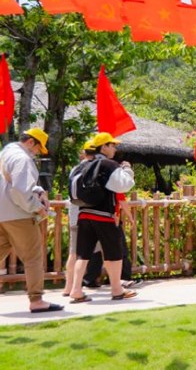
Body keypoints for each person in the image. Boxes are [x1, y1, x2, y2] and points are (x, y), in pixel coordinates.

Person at [69, 132, 137, 303]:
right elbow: (125, 185)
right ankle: (117, 290)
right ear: (104, 147)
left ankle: (76, 290)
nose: (114, 148)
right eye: (112, 145)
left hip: (83, 214)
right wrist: (127, 169)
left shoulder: (81, 166)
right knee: (114, 253)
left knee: (83, 254)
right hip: (104, 215)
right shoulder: (108, 164)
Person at [0, 129, 63, 313]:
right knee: (33, 257)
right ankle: (36, 300)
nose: (36, 153)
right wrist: (36, 207)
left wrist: (38, 190)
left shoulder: (5, 154)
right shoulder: (23, 159)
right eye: (37, 148)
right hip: (18, 214)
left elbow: (12, 183)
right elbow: (20, 191)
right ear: (30, 142)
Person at [62, 140, 95, 296]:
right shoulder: (95, 168)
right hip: (90, 215)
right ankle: (118, 284)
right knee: (108, 252)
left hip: (74, 213)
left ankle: (68, 286)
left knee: (73, 252)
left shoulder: (76, 168)